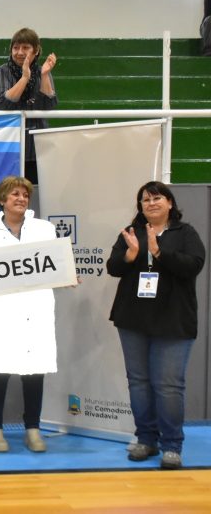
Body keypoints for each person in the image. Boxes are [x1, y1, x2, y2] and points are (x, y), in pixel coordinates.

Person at [107, 181, 205, 470]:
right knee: (139, 382)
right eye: (145, 200)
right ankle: (146, 439)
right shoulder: (130, 233)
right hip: (133, 318)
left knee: (168, 385)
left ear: (170, 203)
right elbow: (113, 267)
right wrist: (130, 255)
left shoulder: (185, 233)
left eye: (157, 198)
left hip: (173, 320)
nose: (151, 203)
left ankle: (171, 445)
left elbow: (193, 265)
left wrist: (159, 252)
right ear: (140, 206)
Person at [0, 176, 57, 453]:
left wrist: (66, 275)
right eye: (15, 194)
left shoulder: (45, 230)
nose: (21, 199)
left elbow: (55, 262)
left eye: (25, 195)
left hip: (36, 309)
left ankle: (33, 429)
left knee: (35, 372)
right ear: (3, 200)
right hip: (3, 312)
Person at [0, 28, 57, 184]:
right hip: (9, 148)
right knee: (9, 191)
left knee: (37, 192)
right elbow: (1, 104)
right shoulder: (1, 72)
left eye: (25, 48)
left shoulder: (42, 72)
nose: (19, 52)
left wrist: (44, 75)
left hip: (37, 149)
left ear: (36, 51)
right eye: (16, 48)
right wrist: (25, 77)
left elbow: (48, 105)